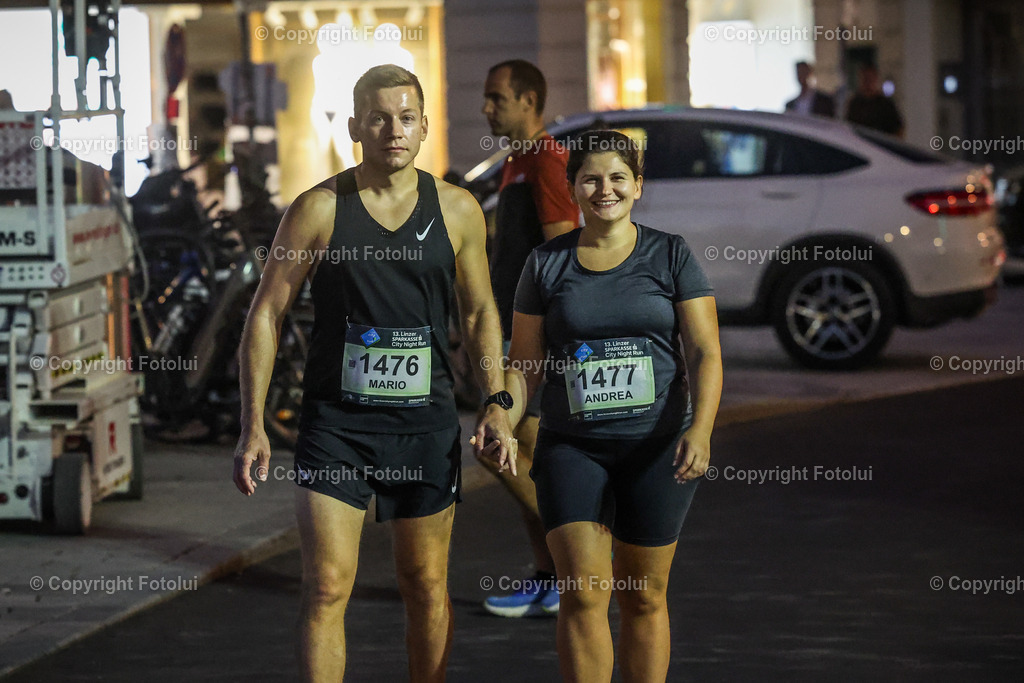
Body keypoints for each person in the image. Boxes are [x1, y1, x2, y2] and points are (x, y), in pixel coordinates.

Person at [232, 64, 517, 683]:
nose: (394, 129)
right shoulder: (317, 209)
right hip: (336, 427)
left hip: (424, 426)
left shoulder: (460, 210)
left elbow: (478, 311)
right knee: (327, 585)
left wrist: (496, 397)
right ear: (357, 125)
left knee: (425, 584)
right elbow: (266, 315)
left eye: (407, 117)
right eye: (380, 117)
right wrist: (252, 422)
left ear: (422, 128)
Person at [503, 129, 723, 681]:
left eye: (618, 178)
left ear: (638, 186)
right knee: (582, 593)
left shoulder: (670, 254)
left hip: (658, 448)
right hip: (572, 448)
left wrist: (701, 431)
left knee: (644, 597)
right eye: (591, 179)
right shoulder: (546, 264)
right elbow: (524, 365)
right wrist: (498, 414)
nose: (605, 189)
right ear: (573, 187)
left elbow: (704, 352)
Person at [478, 59, 578, 617]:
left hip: (533, 343)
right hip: (513, 336)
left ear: (529, 101)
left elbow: (561, 252)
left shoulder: (545, 159)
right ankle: (551, 576)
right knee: (528, 455)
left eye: (497, 97)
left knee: (497, 446)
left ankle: (581, 567)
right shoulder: (515, 163)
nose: (487, 107)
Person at [845, 64, 904, 137]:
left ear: (876, 80)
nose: (867, 82)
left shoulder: (886, 104)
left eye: (870, 79)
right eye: (865, 79)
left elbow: (898, 128)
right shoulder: (855, 103)